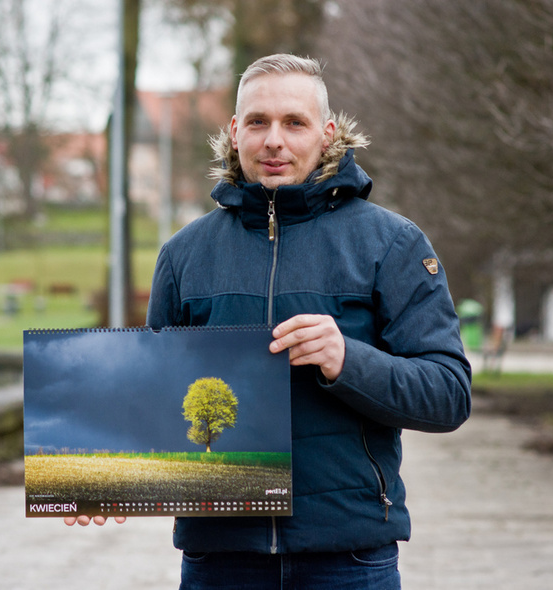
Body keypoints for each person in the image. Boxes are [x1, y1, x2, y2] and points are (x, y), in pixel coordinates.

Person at [66, 53, 472, 589]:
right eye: (258, 122)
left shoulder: (392, 244)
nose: (274, 140)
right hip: (220, 562)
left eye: (294, 123)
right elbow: (154, 402)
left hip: (348, 560)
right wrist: (101, 481)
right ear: (235, 132)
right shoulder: (184, 255)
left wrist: (346, 360)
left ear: (327, 134)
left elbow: (448, 394)